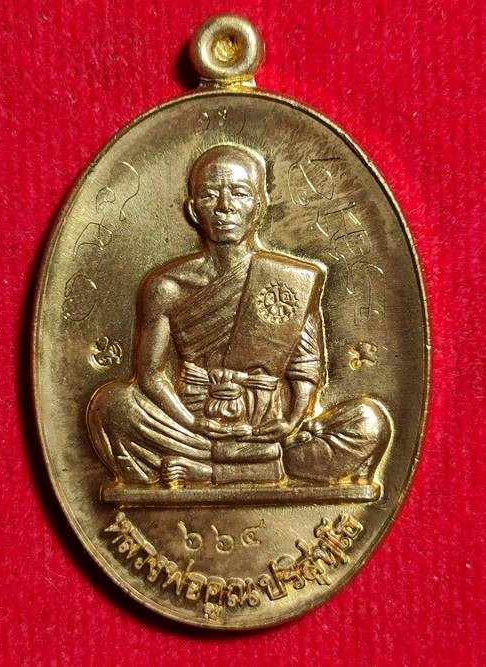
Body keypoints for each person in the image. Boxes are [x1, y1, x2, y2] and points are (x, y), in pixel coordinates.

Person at [87, 144, 391, 487]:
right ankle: (259, 466)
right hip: (192, 426)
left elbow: (306, 368)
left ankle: (211, 469)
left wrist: (291, 420)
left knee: (368, 422)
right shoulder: (167, 287)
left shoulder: (293, 279)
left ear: (258, 207)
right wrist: (192, 422)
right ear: (193, 210)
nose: (225, 207)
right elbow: (152, 375)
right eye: (210, 195)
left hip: (270, 427)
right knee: (112, 406)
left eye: (240, 193)